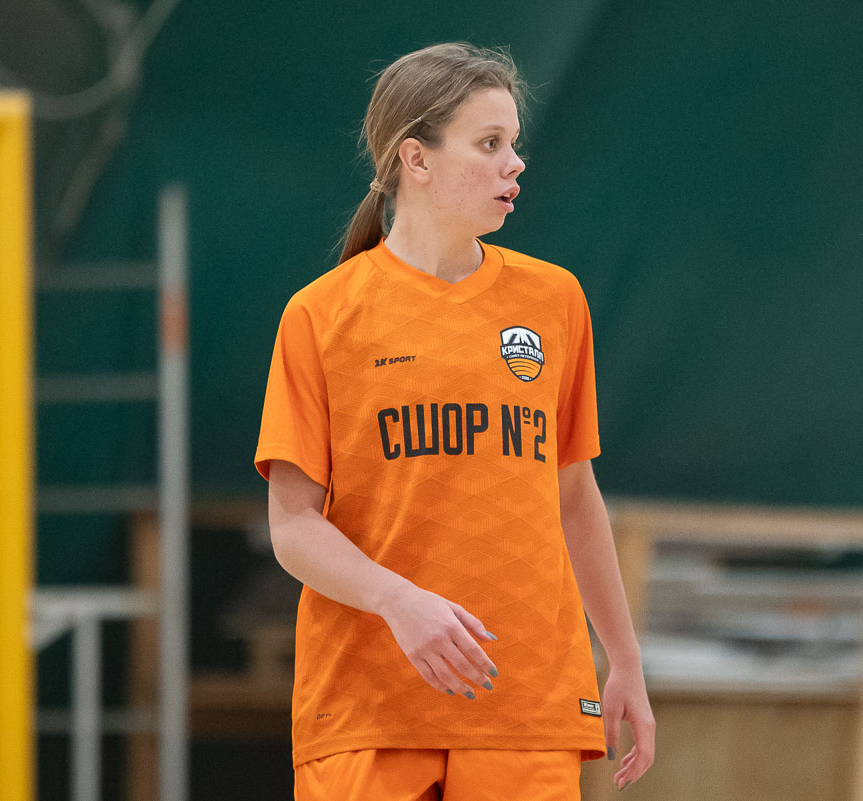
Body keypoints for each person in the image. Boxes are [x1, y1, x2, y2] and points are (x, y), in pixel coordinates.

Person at [255, 42, 655, 800]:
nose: (516, 163)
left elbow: (574, 496)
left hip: (526, 701)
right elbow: (293, 526)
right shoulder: (321, 315)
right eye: (489, 143)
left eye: (514, 143)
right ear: (417, 158)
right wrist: (397, 601)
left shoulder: (555, 301)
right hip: (370, 706)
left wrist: (624, 658)